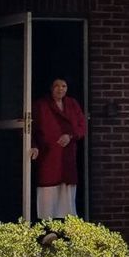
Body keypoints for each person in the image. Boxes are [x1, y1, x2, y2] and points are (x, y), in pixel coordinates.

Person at [29, 77, 87, 221]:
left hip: (67, 154)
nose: (60, 89)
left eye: (64, 86)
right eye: (56, 86)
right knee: (48, 190)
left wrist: (71, 136)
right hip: (49, 154)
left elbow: (82, 126)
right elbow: (30, 129)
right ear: (51, 88)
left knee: (66, 191)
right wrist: (33, 146)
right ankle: (46, 226)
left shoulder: (72, 104)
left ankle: (66, 226)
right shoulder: (41, 105)